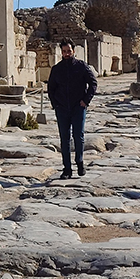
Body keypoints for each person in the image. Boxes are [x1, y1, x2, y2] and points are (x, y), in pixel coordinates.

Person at [47, 39, 97, 179]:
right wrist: (55, 104)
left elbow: (93, 83)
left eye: (69, 51)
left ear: (73, 51)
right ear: (61, 53)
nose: (66, 54)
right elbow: (51, 88)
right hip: (62, 108)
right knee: (64, 138)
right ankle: (67, 168)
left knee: (78, 136)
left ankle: (80, 162)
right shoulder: (57, 69)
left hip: (78, 107)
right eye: (64, 51)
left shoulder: (81, 66)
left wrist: (86, 101)